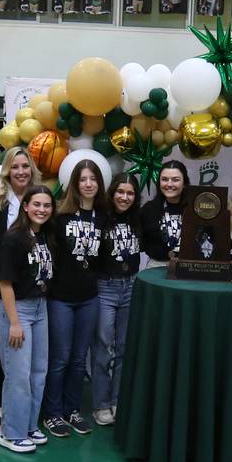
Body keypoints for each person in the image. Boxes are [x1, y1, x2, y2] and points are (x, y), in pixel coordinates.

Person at [42, 159, 107, 437]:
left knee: (80, 360)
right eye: (83, 179)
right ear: (75, 184)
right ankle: (53, 413)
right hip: (61, 298)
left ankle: (72, 409)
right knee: (60, 358)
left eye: (93, 179)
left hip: (89, 297)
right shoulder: (60, 217)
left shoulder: (104, 218)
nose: (88, 184)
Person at [0, 147, 42, 421]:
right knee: (3, 346)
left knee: (29, 351)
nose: (20, 172)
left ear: (32, 170)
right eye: (15, 166)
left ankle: (26, 402)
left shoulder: (39, 199)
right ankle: (3, 402)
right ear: (7, 170)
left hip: (32, 290)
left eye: (25, 166)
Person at [0, 185, 55, 453]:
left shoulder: (44, 236)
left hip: (40, 307)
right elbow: (5, 283)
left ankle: (29, 426)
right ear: (26, 207)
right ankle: (11, 432)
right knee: (18, 374)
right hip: (16, 309)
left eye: (47, 205)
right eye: (37, 205)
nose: (42, 210)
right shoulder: (14, 238)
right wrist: (15, 322)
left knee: (38, 371)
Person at [91, 173, 142, 426]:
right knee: (103, 348)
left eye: (130, 193)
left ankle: (117, 400)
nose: (125, 197)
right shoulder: (101, 218)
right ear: (112, 194)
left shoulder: (137, 219)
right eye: (120, 192)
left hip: (131, 286)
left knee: (124, 348)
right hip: (105, 287)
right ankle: (100, 404)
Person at [141, 160, 189, 268]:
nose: (169, 184)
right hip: (156, 266)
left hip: (187, 267)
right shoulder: (149, 209)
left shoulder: (194, 208)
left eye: (175, 180)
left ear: (184, 183)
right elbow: (142, 241)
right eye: (164, 179)